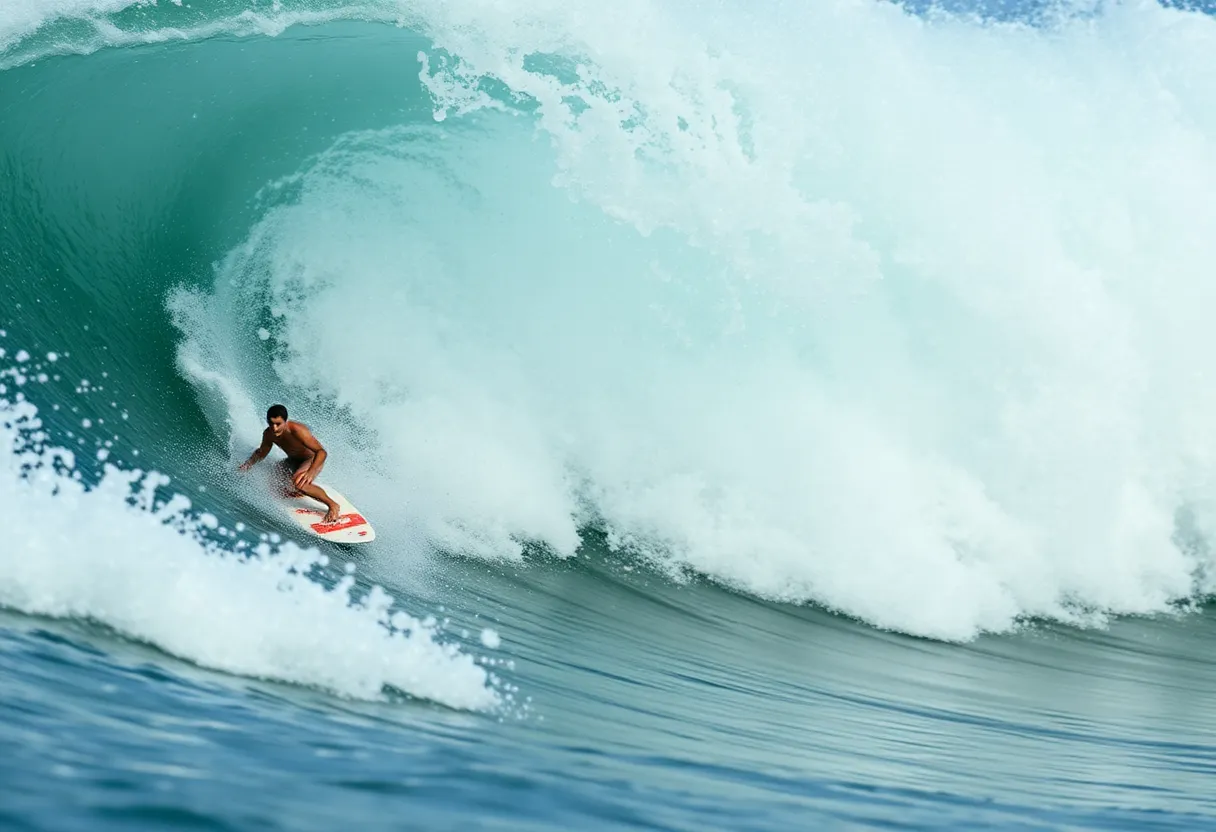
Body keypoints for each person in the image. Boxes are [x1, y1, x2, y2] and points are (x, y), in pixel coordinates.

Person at [239, 404, 341, 523]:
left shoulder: (297, 430)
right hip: (293, 460)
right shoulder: (268, 434)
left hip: (310, 459)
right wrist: (248, 464)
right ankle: (299, 491)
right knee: (273, 477)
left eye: (278, 424)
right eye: (271, 423)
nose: (274, 428)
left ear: (285, 421)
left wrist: (311, 472)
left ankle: (332, 505)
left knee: (299, 483)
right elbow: (262, 453)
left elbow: (321, 452)